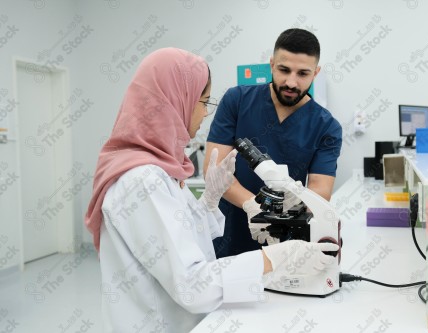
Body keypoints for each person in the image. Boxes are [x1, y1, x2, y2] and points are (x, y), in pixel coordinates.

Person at [84, 48, 336, 333]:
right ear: (174, 100)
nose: (205, 112)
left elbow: (175, 238)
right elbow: (193, 285)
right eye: (202, 102)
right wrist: (276, 258)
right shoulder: (142, 181)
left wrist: (207, 203)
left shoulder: (157, 170)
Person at [205, 28, 343, 258]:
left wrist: (288, 211)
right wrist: (252, 206)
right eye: (284, 70)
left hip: (284, 239)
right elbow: (214, 170)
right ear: (271, 64)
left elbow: (320, 189)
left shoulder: (326, 126)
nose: (291, 82)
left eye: (303, 74)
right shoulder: (236, 101)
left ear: (315, 73)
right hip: (226, 232)